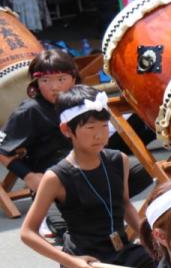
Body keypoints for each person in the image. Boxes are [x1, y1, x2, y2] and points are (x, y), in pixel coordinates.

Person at [18, 85, 155, 268]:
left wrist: (151, 240)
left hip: (124, 251)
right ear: (67, 130)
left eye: (104, 126)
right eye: (90, 128)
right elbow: (27, 233)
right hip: (89, 260)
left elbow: (124, 205)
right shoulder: (56, 177)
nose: (99, 135)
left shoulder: (118, 160)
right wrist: (71, 261)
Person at [0, 50, 151, 202]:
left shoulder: (85, 99)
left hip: (95, 162)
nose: (54, 87)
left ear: (74, 78)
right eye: (45, 80)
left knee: (142, 171)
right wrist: (29, 176)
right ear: (36, 83)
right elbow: (2, 149)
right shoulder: (30, 110)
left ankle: (102, 205)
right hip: (58, 175)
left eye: (61, 79)